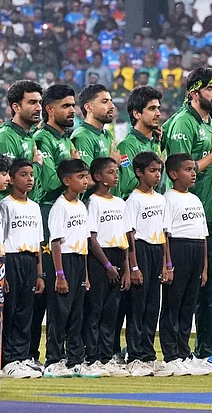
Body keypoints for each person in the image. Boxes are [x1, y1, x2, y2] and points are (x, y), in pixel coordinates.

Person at [162, 68, 212, 360]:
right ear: (193, 92)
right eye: (211, 88)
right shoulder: (182, 124)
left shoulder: (209, 121)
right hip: (182, 224)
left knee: (207, 291)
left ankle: (200, 351)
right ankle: (178, 353)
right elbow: (178, 170)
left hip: (208, 217)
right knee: (183, 296)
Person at [28, 83, 78, 372]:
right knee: (41, 295)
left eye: (73, 105)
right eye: (66, 106)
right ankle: (32, 355)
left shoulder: (64, 138)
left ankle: (59, 356)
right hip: (46, 224)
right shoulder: (42, 139)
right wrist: (70, 165)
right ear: (50, 110)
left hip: (66, 223)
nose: (72, 110)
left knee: (63, 297)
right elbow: (46, 184)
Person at [43, 159, 96, 378]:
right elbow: (56, 242)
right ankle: (53, 360)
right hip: (63, 262)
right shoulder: (60, 206)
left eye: (86, 177)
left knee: (77, 314)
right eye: (80, 177)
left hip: (78, 260)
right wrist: (59, 275)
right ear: (66, 181)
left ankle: (75, 359)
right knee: (59, 315)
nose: (85, 182)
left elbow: (83, 242)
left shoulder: (82, 206)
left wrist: (85, 275)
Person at [160, 153, 211, 376]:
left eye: (194, 169)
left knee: (188, 305)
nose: (193, 174)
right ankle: (170, 355)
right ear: (173, 174)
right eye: (188, 170)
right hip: (178, 250)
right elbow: (166, 235)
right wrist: (168, 263)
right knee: (174, 304)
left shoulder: (196, 199)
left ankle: (184, 352)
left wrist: (205, 267)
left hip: (196, 251)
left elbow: (203, 235)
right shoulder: (168, 199)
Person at [83, 157, 130, 378]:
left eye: (117, 171)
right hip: (100, 259)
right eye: (110, 172)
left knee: (112, 311)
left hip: (118, 256)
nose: (116, 175)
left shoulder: (121, 203)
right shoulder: (93, 202)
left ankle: (106, 355)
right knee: (95, 310)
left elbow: (125, 239)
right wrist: (108, 265)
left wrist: (127, 268)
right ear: (98, 177)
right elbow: (92, 239)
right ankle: (92, 356)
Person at [123, 151, 169, 377]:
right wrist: (133, 267)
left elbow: (164, 233)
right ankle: (134, 356)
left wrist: (166, 264)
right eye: (152, 171)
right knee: (137, 307)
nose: (157, 175)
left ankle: (149, 354)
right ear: (140, 173)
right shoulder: (133, 200)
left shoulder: (161, 199)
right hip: (140, 251)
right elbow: (130, 236)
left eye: (159, 170)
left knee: (153, 307)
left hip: (156, 250)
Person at [0, 158, 45, 379]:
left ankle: (21, 356)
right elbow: (1, 240)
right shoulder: (5, 206)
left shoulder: (35, 207)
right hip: (11, 259)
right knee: (10, 310)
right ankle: (6, 359)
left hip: (29, 261)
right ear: (11, 178)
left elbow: (38, 243)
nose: (29, 179)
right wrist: (2, 271)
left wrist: (39, 274)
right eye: (24, 175)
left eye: (32, 175)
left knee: (26, 312)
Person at [0, 80, 43, 201]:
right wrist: (37, 165)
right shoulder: (4, 137)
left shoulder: (27, 135)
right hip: (8, 209)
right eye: (32, 102)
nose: (39, 108)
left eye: (40, 102)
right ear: (16, 107)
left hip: (25, 207)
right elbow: (10, 180)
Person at [115, 86, 163, 199]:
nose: (158, 113)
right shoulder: (126, 145)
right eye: (152, 109)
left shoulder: (157, 142)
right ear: (137, 114)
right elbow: (128, 185)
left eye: (158, 108)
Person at [71, 84, 119, 169]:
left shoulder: (106, 134)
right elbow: (86, 178)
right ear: (88, 107)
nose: (112, 106)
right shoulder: (82, 137)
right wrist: (112, 163)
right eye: (105, 101)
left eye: (111, 101)